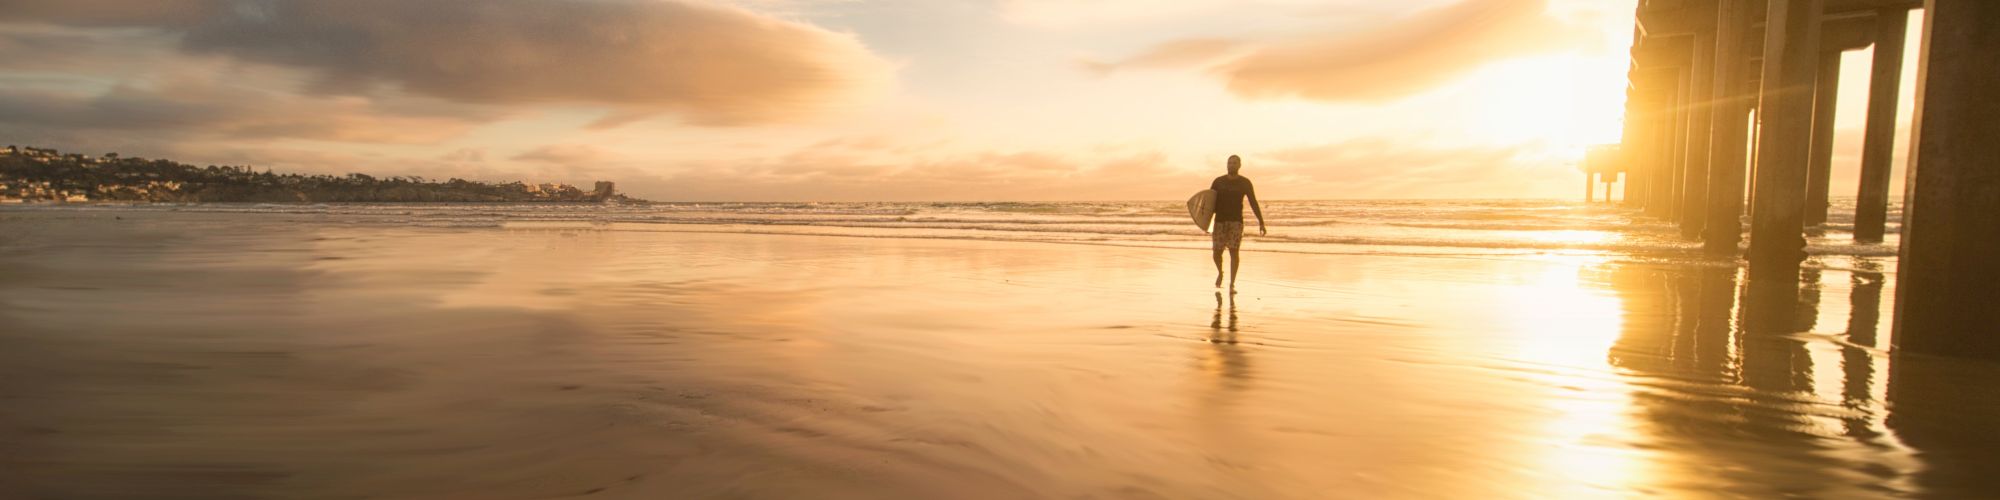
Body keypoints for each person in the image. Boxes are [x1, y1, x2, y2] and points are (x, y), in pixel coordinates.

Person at [1208, 155, 1265, 289]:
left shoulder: (1245, 183)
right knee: (1216, 253)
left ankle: (1232, 283)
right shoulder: (1218, 182)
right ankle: (1220, 272)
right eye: (1229, 163)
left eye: (1234, 163)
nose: (1231, 165)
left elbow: (1253, 202)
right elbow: (1209, 202)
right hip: (1219, 221)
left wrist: (1261, 222)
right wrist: (1206, 222)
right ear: (1226, 165)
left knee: (1234, 252)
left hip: (1236, 222)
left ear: (1239, 166)